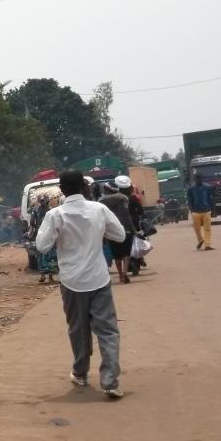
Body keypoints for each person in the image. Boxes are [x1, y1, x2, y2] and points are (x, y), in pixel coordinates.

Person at [35, 170, 126, 399]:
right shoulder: (99, 209)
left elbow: (42, 246)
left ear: (62, 190)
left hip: (72, 281)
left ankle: (81, 372)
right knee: (107, 331)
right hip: (99, 278)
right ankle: (110, 381)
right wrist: (98, 232)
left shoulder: (56, 215)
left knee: (78, 330)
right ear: (85, 187)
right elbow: (120, 235)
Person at [100, 182, 136, 284]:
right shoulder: (123, 198)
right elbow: (127, 216)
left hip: (111, 231)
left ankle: (120, 274)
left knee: (117, 255)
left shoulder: (102, 201)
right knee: (126, 253)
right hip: (126, 230)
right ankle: (125, 272)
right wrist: (134, 230)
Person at [29, 195, 56, 284]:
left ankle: (42, 275)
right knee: (50, 253)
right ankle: (50, 277)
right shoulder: (52, 210)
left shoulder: (35, 210)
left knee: (40, 253)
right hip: (49, 233)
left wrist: (31, 233)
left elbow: (32, 222)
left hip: (40, 233)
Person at [187, 174, 215, 250]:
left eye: (200, 178)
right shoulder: (191, 189)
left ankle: (207, 245)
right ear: (194, 179)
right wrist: (191, 210)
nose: (198, 180)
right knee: (197, 229)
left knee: (207, 228)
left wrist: (213, 210)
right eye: (197, 179)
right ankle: (201, 240)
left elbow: (211, 199)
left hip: (206, 211)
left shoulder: (208, 187)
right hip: (196, 212)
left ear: (202, 179)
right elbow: (190, 200)